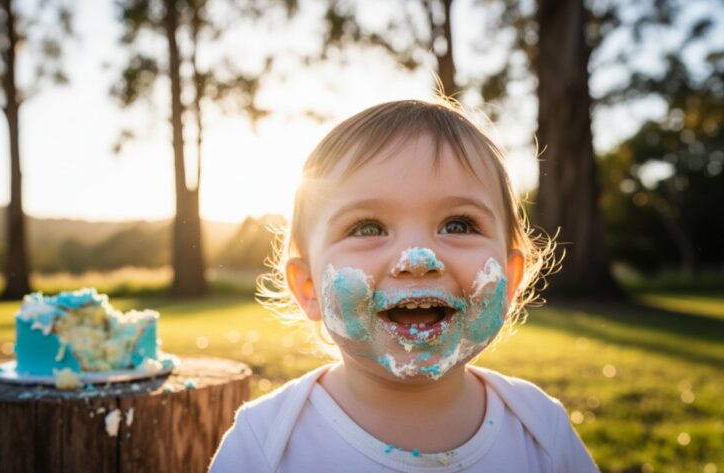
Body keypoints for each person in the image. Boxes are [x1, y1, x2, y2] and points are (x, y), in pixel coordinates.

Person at [209, 99, 598, 472]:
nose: (417, 259)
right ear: (309, 288)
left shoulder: (541, 431)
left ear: (510, 279)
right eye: (368, 228)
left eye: (458, 225)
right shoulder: (264, 445)